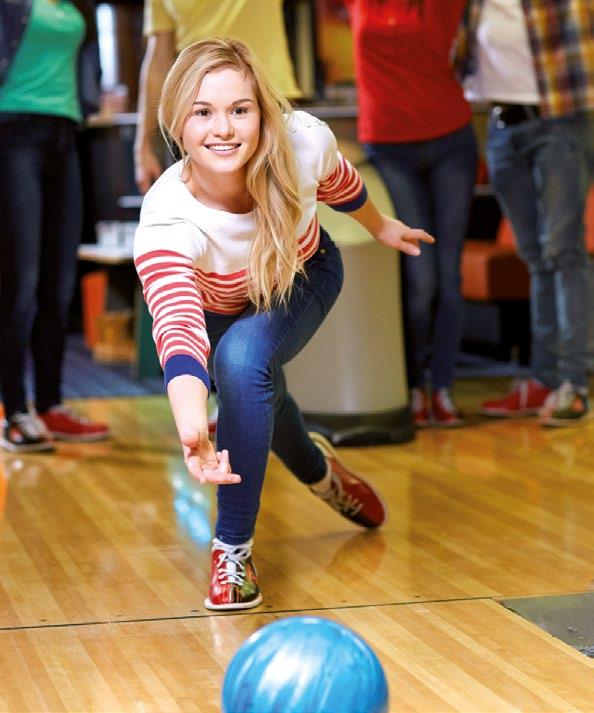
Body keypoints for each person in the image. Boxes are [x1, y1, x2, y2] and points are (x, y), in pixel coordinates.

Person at [133, 37, 434, 610]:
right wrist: (195, 430)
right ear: (176, 121)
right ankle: (324, 475)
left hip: (304, 276)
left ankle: (232, 552)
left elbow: (342, 184)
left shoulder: (300, 142)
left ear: (261, 112)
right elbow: (177, 329)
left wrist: (381, 227)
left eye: (239, 110)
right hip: (221, 309)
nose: (223, 129)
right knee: (255, 390)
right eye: (203, 112)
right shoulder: (166, 218)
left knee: (243, 365)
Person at [454, 0, 593, 427]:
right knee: (534, 257)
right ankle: (543, 378)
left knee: (562, 251)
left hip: (560, 124)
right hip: (501, 129)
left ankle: (574, 383)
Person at [346, 0, 478, 427]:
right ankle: (413, 386)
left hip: (451, 141)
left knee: (449, 278)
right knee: (421, 281)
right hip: (390, 148)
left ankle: (442, 389)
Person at [0, 0, 110, 453]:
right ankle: (15, 410)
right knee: (18, 282)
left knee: (59, 282)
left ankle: (49, 405)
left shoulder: (75, 4)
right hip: (11, 134)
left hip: (65, 135)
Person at [134, 0, 301, 195]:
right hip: (197, 110)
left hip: (266, 99)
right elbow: (159, 58)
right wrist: (143, 145)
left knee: (279, 201)